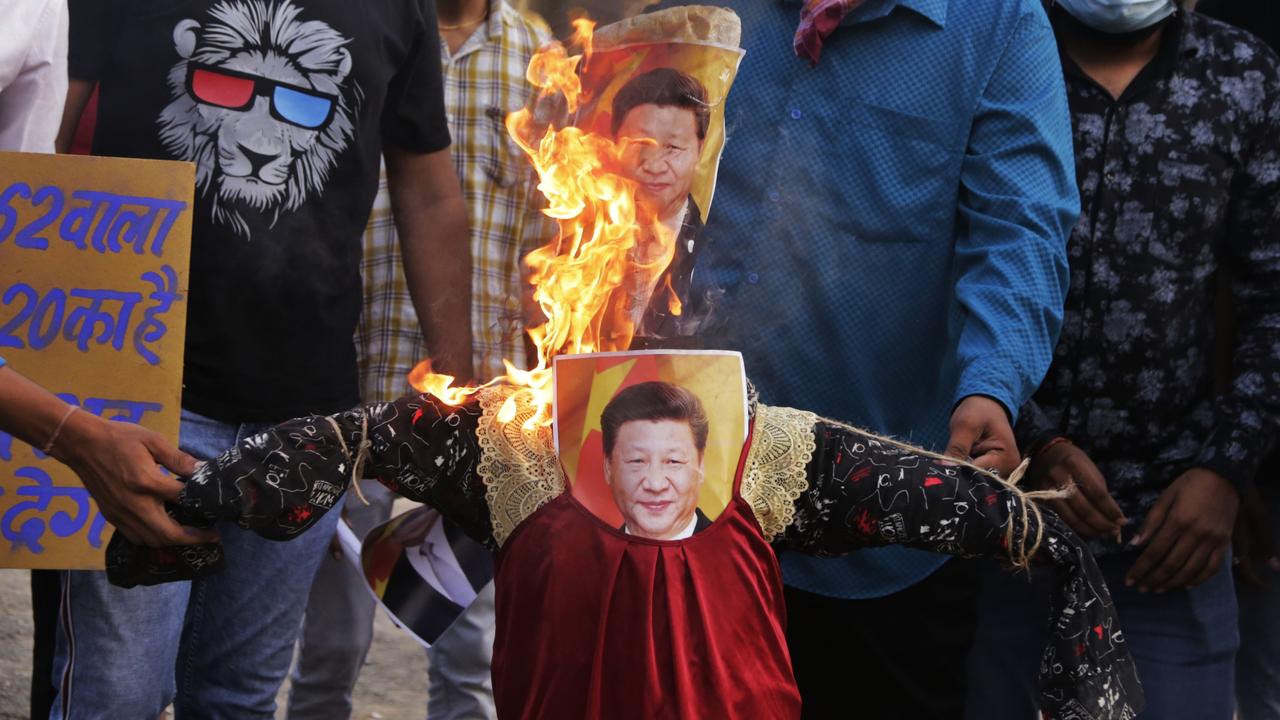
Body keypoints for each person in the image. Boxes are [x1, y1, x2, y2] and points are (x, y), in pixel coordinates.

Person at [105, 378, 1144, 720]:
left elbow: (963, 508)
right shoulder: (513, 440)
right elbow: (359, 441)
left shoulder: (767, 451)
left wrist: (1044, 546)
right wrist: (203, 497)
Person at [53, 0, 473, 716]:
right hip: (139, 390)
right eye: (221, 85)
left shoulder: (398, 8)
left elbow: (429, 191)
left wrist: (457, 390)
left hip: (307, 414)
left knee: (239, 696)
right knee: (117, 690)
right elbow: (47, 130)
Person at [663, 0, 1079, 716]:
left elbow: (1019, 228)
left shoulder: (1000, 22)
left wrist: (991, 386)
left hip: (880, 533)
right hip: (685, 495)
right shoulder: (710, 10)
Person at [965, 2, 1280, 718]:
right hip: (1002, 513)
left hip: (1170, 534)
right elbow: (951, 266)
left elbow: (1272, 297)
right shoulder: (996, 61)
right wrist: (1036, 438)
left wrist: (1225, 470)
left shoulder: (1246, 78)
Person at [287, 1, 550, 718]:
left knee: (469, 648)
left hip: (485, 397)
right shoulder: (359, 29)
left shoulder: (542, 58)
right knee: (333, 641)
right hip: (354, 380)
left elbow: (550, 234)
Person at [610, 67, 707, 342]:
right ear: (613, 143)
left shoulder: (717, 254)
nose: (653, 165)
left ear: (700, 150)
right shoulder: (579, 246)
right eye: (639, 143)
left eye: (673, 148)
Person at [600, 381, 712, 540]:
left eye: (674, 461)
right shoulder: (587, 562)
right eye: (637, 461)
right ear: (608, 467)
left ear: (700, 465)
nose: (655, 485)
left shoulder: (742, 557)